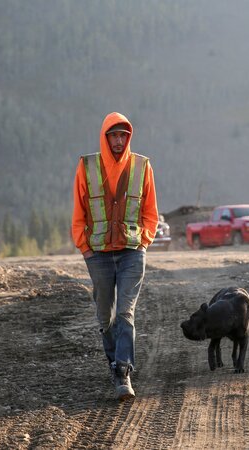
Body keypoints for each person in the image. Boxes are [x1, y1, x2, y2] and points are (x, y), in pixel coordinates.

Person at [72, 112, 159, 401]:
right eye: (114, 135)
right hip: (97, 255)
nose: (119, 140)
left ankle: (123, 371)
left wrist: (144, 243)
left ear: (129, 137)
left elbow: (150, 212)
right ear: (105, 137)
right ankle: (114, 362)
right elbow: (79, 211)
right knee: (104, 317)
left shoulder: (142, 166)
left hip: (132, 253)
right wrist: (84, 247)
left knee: (125, 312)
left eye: (124, 135)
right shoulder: (87, 166)